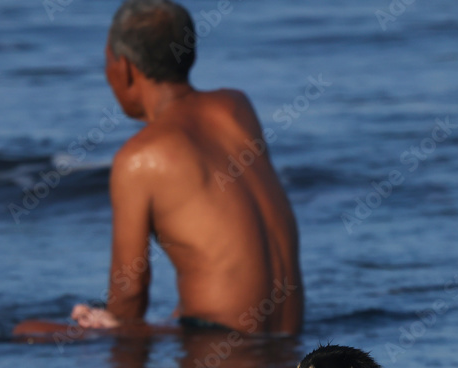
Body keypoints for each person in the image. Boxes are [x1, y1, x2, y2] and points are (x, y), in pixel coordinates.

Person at [71, 0, 303, 335]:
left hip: (224, 362)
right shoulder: (237, 108)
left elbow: (130, 294)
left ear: (124, 67)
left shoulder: (138, 158)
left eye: (106, 61)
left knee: (27, 331)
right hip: (288, 349)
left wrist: (109, 327)